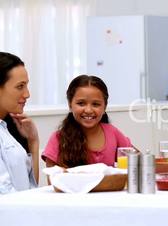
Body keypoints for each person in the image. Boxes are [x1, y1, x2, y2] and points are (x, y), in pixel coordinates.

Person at [42, 75, 132, 168]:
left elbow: (136, 159)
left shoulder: (113, 132)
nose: (88, 110)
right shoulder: (58, 138)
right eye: (81, 103)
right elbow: (52, 178)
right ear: (70, 104)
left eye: (96, 104)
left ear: (104, 107)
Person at [0, 52, 39, 193]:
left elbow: (30, 188)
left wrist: (33, 143)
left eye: (26, 85)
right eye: (20, 86)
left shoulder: (6, 127)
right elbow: (6, 194)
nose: (27, 94)